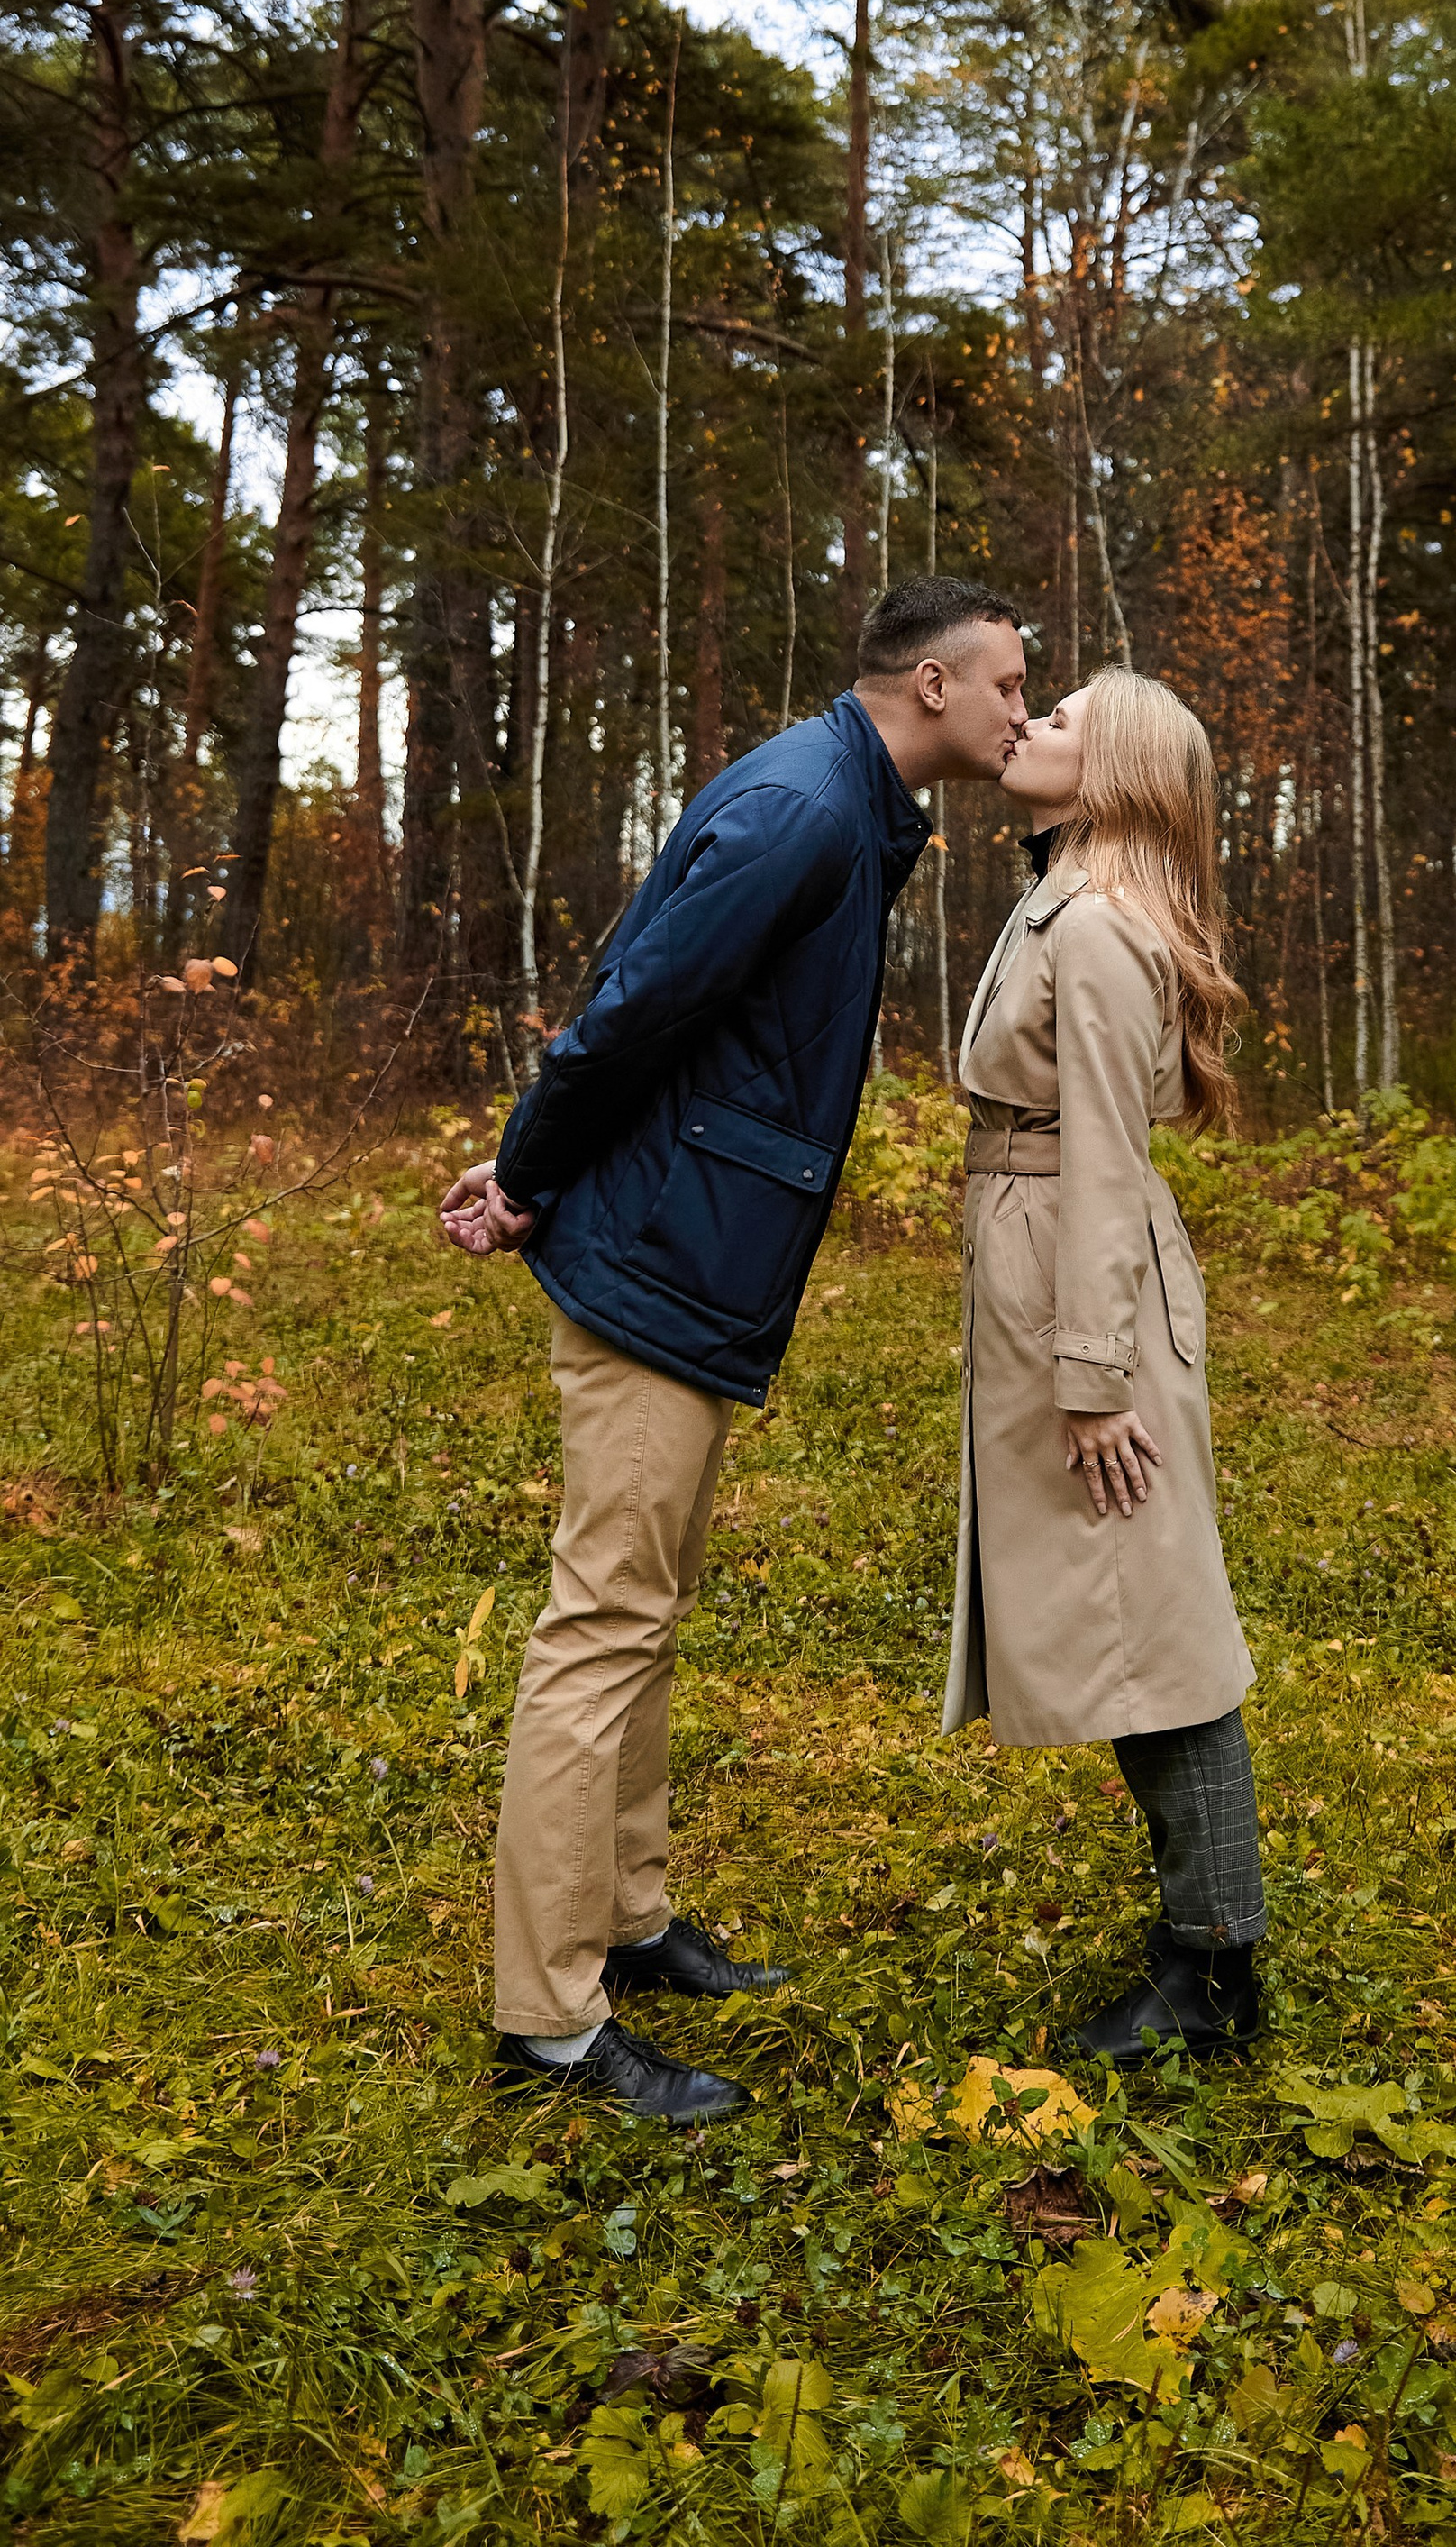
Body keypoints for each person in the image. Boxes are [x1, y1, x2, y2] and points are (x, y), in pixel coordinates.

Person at [436, 576, 1027, 2125]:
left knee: (650, 1603)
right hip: (652, 1251)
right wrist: (526, 1174)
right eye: (1011, 688)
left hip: (687, 1246)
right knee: (604, 1621)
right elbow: (629, 1008)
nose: (1024, 717)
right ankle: (549, 2026)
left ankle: (626, 1925)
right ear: (930, 687)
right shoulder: (803, 813)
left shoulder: (851, 801)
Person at [945, 667, 1267, 2062]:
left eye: (1062, 719)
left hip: (1085, 1283)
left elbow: (1103, 1166)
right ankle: (1202, 1945)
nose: (1031, 725)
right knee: (1133, 1618)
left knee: (1158, 1631)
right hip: (1049, 1265)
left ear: (1120, 773)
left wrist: (1093, 1379)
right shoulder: (1067, 898)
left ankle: (1212, 1971)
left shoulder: (1098, 929)